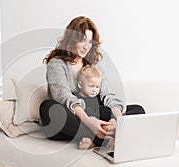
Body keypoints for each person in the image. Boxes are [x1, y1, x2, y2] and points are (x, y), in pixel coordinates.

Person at [39, 16, 145, 150]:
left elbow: (108, 96)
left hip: (96, 114)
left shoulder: (94, 64)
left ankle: (101, 138)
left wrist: (117, 120)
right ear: (71, 40)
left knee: (138, 110)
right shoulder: (57, 63)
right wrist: (89, 122)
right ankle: (107, 139)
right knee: (47, 108)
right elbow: (63, 96)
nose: (86, 46)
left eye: (90, 41)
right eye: (82, 40)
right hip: (74, 119)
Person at [74, 64, 115, 149]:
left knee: (104, 109)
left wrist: (112, 119)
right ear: (80, 85)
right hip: (88, 125)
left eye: (97, 87)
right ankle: (99, 141)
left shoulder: (97, 97)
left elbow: (105, 110)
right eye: (91, 86)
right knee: (87, 111)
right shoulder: (76, 98)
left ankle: (111, 128)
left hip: (103, 124)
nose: (94, 90)